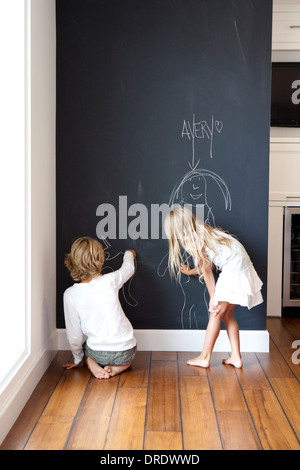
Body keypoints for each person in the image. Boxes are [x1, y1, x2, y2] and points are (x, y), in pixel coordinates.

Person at [164, 205, 263, 369]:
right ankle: (236, 357)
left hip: (234, 269)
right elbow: (207, 265)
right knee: (227, 315)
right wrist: (190, 271)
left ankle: (204, 357)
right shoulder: (203, 230)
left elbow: (208, 272)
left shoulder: (194, 239)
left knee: (215, 313)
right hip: (241, 265)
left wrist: (213, 298)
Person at [62, 236, 137, 379]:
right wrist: (129, 254)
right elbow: (128, 269)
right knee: (129, 357)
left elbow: (74, 336)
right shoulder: (109, 281)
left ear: (72, 262)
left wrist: (78, 359)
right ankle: (117, 368)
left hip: (97, 352)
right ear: (99, 260)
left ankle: (91, 362)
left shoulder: (70, 294)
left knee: (86, 346)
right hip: (125, 351)